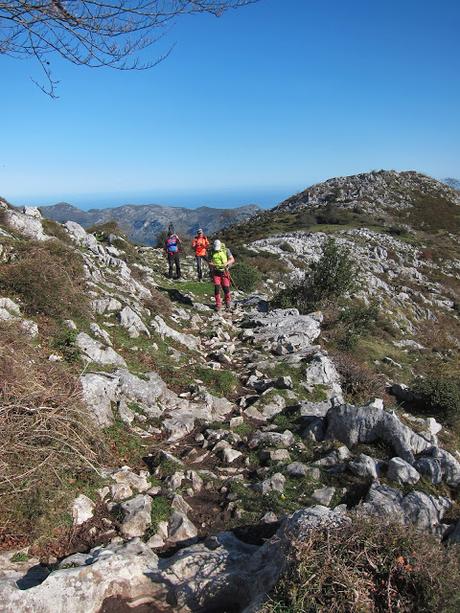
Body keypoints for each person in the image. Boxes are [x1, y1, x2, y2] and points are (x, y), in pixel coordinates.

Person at [209, 239, 235, 311]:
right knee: (217, 288)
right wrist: (213, 265)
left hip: (224, 272)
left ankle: (227, 301)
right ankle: (218, 304)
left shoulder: (226, 250)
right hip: (216, 272)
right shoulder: (211, 251)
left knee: (225, 288)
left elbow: (232, 259)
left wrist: (226, 264)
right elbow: (209, 261)